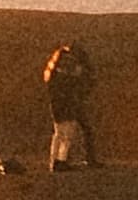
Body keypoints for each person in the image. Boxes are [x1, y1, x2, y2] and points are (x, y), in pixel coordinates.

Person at [41, 42, 98, 170]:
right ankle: (61, 160)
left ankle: (53, 161)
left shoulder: (52, 73)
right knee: (67, 134)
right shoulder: (65, 75)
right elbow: (73, 83)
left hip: (55, 104)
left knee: (58, 133)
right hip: (66, 103)